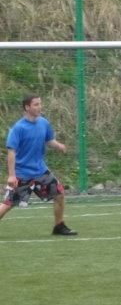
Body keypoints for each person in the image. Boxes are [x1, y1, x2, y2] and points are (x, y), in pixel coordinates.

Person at [0, 95, 77, 235]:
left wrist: (59, 146)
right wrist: (12, 175)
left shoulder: (43, 123)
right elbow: (11, 152)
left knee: (59, 194)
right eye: (36, 104)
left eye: (40, 104)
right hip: (23, 174)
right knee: (7, 205)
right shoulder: (18, 128)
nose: (40, 107)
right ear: (27, 107)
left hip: (41, 171)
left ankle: (59, 226)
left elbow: (49, 140)